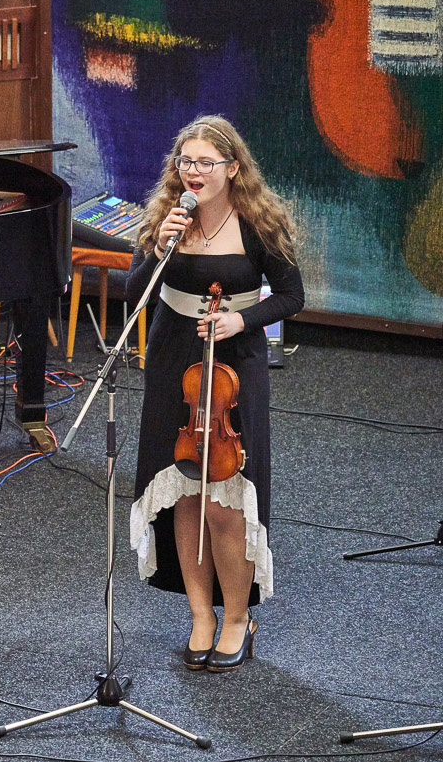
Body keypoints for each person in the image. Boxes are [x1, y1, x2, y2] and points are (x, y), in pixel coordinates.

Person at [125, 115, 304, 673]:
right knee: (185, 492)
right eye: (186, 162)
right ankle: (200, 616)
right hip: (172, 361)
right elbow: (134, 295)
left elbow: (292, 297)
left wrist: (241, 320)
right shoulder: (166, 219)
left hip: (234, 366)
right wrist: (158, 248)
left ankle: (237, 618)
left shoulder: (258, 224)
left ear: (232, 168)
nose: (193, 172)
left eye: (205, 162)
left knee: (224, 500)